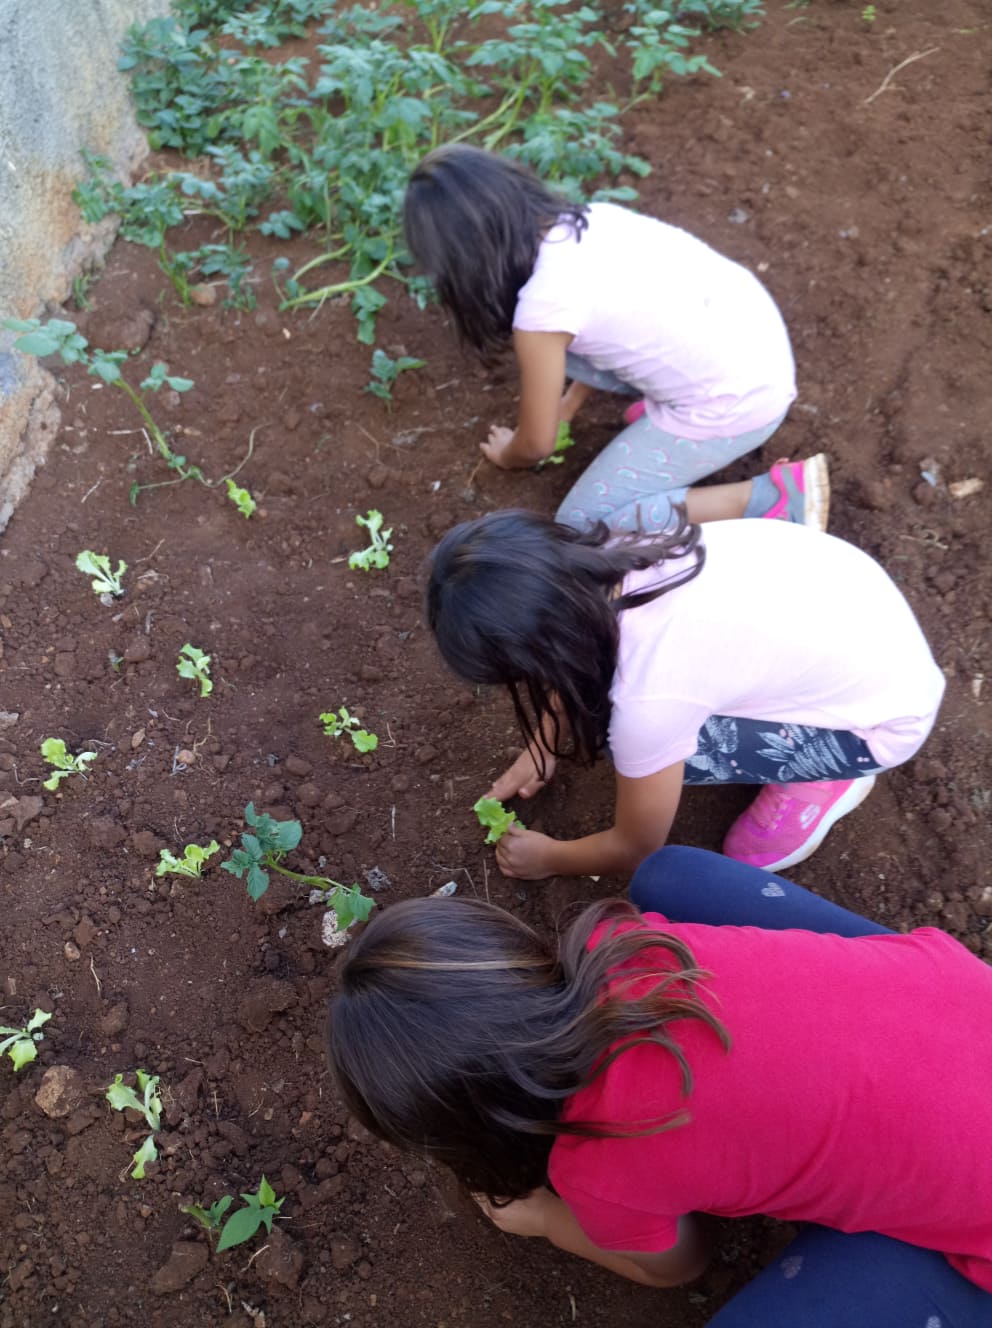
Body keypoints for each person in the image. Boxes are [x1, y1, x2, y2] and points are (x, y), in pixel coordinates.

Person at [326, 846, 992, 1327]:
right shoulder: (633, 942)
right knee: (670, 877)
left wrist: (550, 1220)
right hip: (965, 1007)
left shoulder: (599, 1169)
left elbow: (680, 1264)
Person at [426, 509, 944, 877]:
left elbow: (635, 846)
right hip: (860, 612)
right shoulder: (614, 552)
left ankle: (827, 780)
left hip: (881, 720)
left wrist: (549, 857)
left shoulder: (648, 701)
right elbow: (572, 646)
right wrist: (539, 749)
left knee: (625, 743)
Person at [403, 143, 827, 534]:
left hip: (737, 403)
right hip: (754, 335)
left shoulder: (541, 314)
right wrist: (565, 406)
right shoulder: (591, 218)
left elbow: (536, 445)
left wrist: (507, 454)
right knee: (577, 344)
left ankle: (771, 499)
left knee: (585, 523)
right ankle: (668, 406)